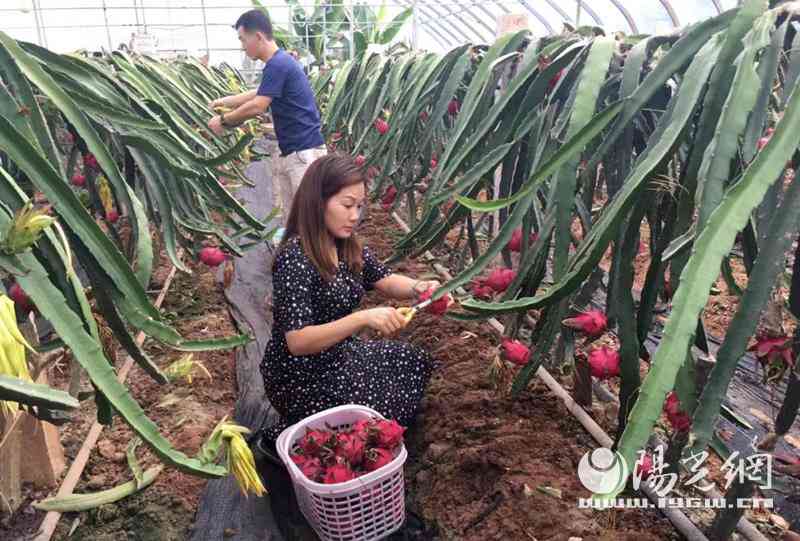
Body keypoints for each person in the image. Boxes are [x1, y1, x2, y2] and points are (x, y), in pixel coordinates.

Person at [256, 154, 444, 458]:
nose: (355, 215)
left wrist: (418, 287)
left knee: (413, 362)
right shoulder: (296, 259)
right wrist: (361, 319)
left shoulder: (346, 246)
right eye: (347, 205)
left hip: (339, 357)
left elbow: (385, 279)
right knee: (380, 414)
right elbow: (298, 341)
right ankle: (290, 436)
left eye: (360, 206)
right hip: (299, 378)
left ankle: (318, 435)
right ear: (318, 202)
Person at [207, 9, 326, 234]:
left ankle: (324, 267)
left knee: (310, 224)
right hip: (296, 150)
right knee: (296, 223)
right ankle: (298, 266)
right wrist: (224, 101)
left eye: (243, 39)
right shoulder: (280, 63)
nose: (243, 46)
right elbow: (258, 93)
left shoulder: (278, 64)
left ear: (258, 37)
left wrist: (223, 121)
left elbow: (258, 105)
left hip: (303, 153)